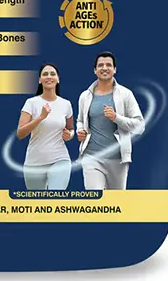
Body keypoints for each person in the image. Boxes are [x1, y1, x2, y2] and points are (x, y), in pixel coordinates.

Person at [76, 51, 145, 190]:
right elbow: (80, 120)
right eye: (100, 65)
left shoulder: (126, 94)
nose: (104, 68)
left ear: (115, 69)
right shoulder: (85, 96)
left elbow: (140, 126)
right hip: (91, 156)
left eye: (108, 65)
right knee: (95, 199)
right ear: (95, 70)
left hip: (118, 159)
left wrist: (116, 118)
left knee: (115, 201)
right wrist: (80, 130)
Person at [17, 63, 75, 190]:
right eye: (45, 74)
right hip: (34, 163)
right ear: (40, 80)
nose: (49, 76)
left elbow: (71, 129)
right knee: (37, 201)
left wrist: (70, 135)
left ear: (58, 79)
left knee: (55, 197)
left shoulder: (66, 104)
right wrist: (41, 117)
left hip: (60, 158)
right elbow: (20, 133)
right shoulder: (31, 103)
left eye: (52, 74)